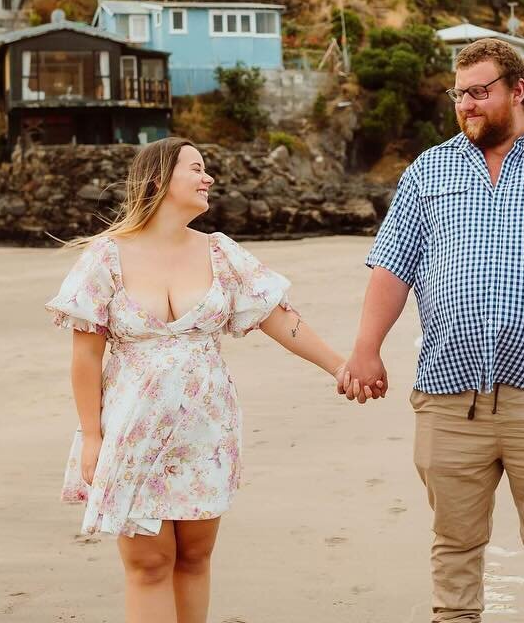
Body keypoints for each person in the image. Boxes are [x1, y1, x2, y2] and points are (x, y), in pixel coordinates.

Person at [339, 37, 524, 623]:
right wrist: (365, 350)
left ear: (518, 91)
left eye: (479, 92)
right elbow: (392, 266)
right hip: (449, 396)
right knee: (455, 548)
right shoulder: (429, 172)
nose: (466, 104)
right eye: (458, 94)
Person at [45, 136, 348, 623]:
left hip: (204, 431)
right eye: (198, 168)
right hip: (132, 429)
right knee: (148, 562)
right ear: (160, 179)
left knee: (194, 557)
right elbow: (85, 356)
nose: (208, 179)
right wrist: (91, 435)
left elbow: (280, 317)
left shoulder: (220, 253)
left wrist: (340, 366)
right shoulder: (107, 257)